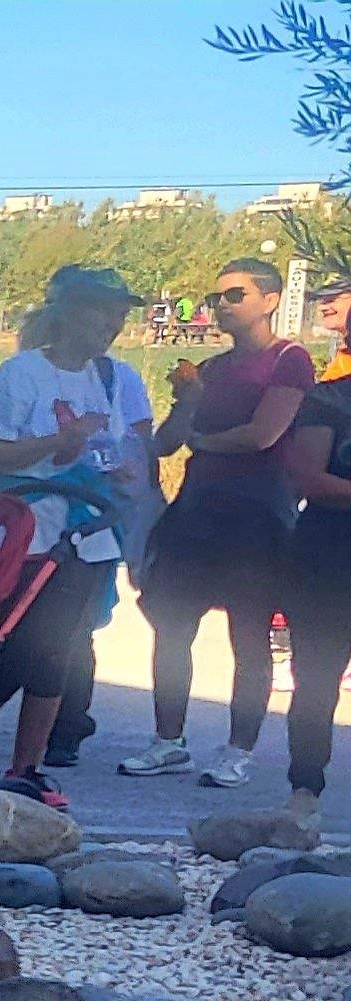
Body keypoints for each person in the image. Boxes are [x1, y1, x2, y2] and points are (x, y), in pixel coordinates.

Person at [0, 267, 157, 806]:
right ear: (67, 313)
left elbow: (121, 450)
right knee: (17, 649)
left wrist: (120, 471)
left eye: (118, 314)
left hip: (90, 534)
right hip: (31, 532)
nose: (111, 324)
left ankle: (22, 765)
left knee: (55, 651)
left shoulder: (111, 379)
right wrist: (55, 443)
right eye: (101, 311)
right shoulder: (21, 374)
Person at [131, 257, 316, 788]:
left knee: (249, 635)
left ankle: (238, 749)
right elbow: (166, 442)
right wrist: (186, 403)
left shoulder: (289, 360)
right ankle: (168, 740)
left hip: (257, 514)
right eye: (217, 298)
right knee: (171, 626)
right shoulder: (210, 370)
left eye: (234, 295)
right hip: (198, 510)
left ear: (271, 300)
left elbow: (264, 434)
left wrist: (204, 442)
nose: (222, 307)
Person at [271, 275, 351, 831]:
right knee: (317, 676)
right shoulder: (329, 398)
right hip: (330, 551)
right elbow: (305, 478)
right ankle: (304, 789)